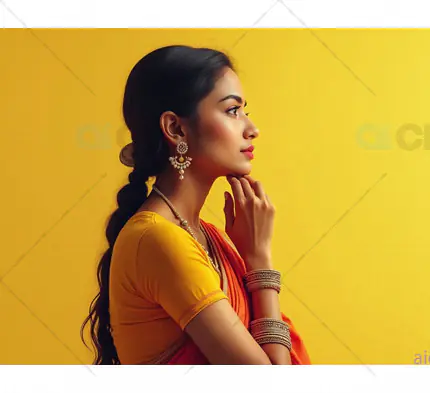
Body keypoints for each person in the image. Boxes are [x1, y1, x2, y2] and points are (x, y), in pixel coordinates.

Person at [80, 45, 311, 365]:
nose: (251, 129)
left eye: (245, 111)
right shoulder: (158, 240)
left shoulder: (205, 237)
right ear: (176, 128)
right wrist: (259, 262)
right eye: (232, 111)